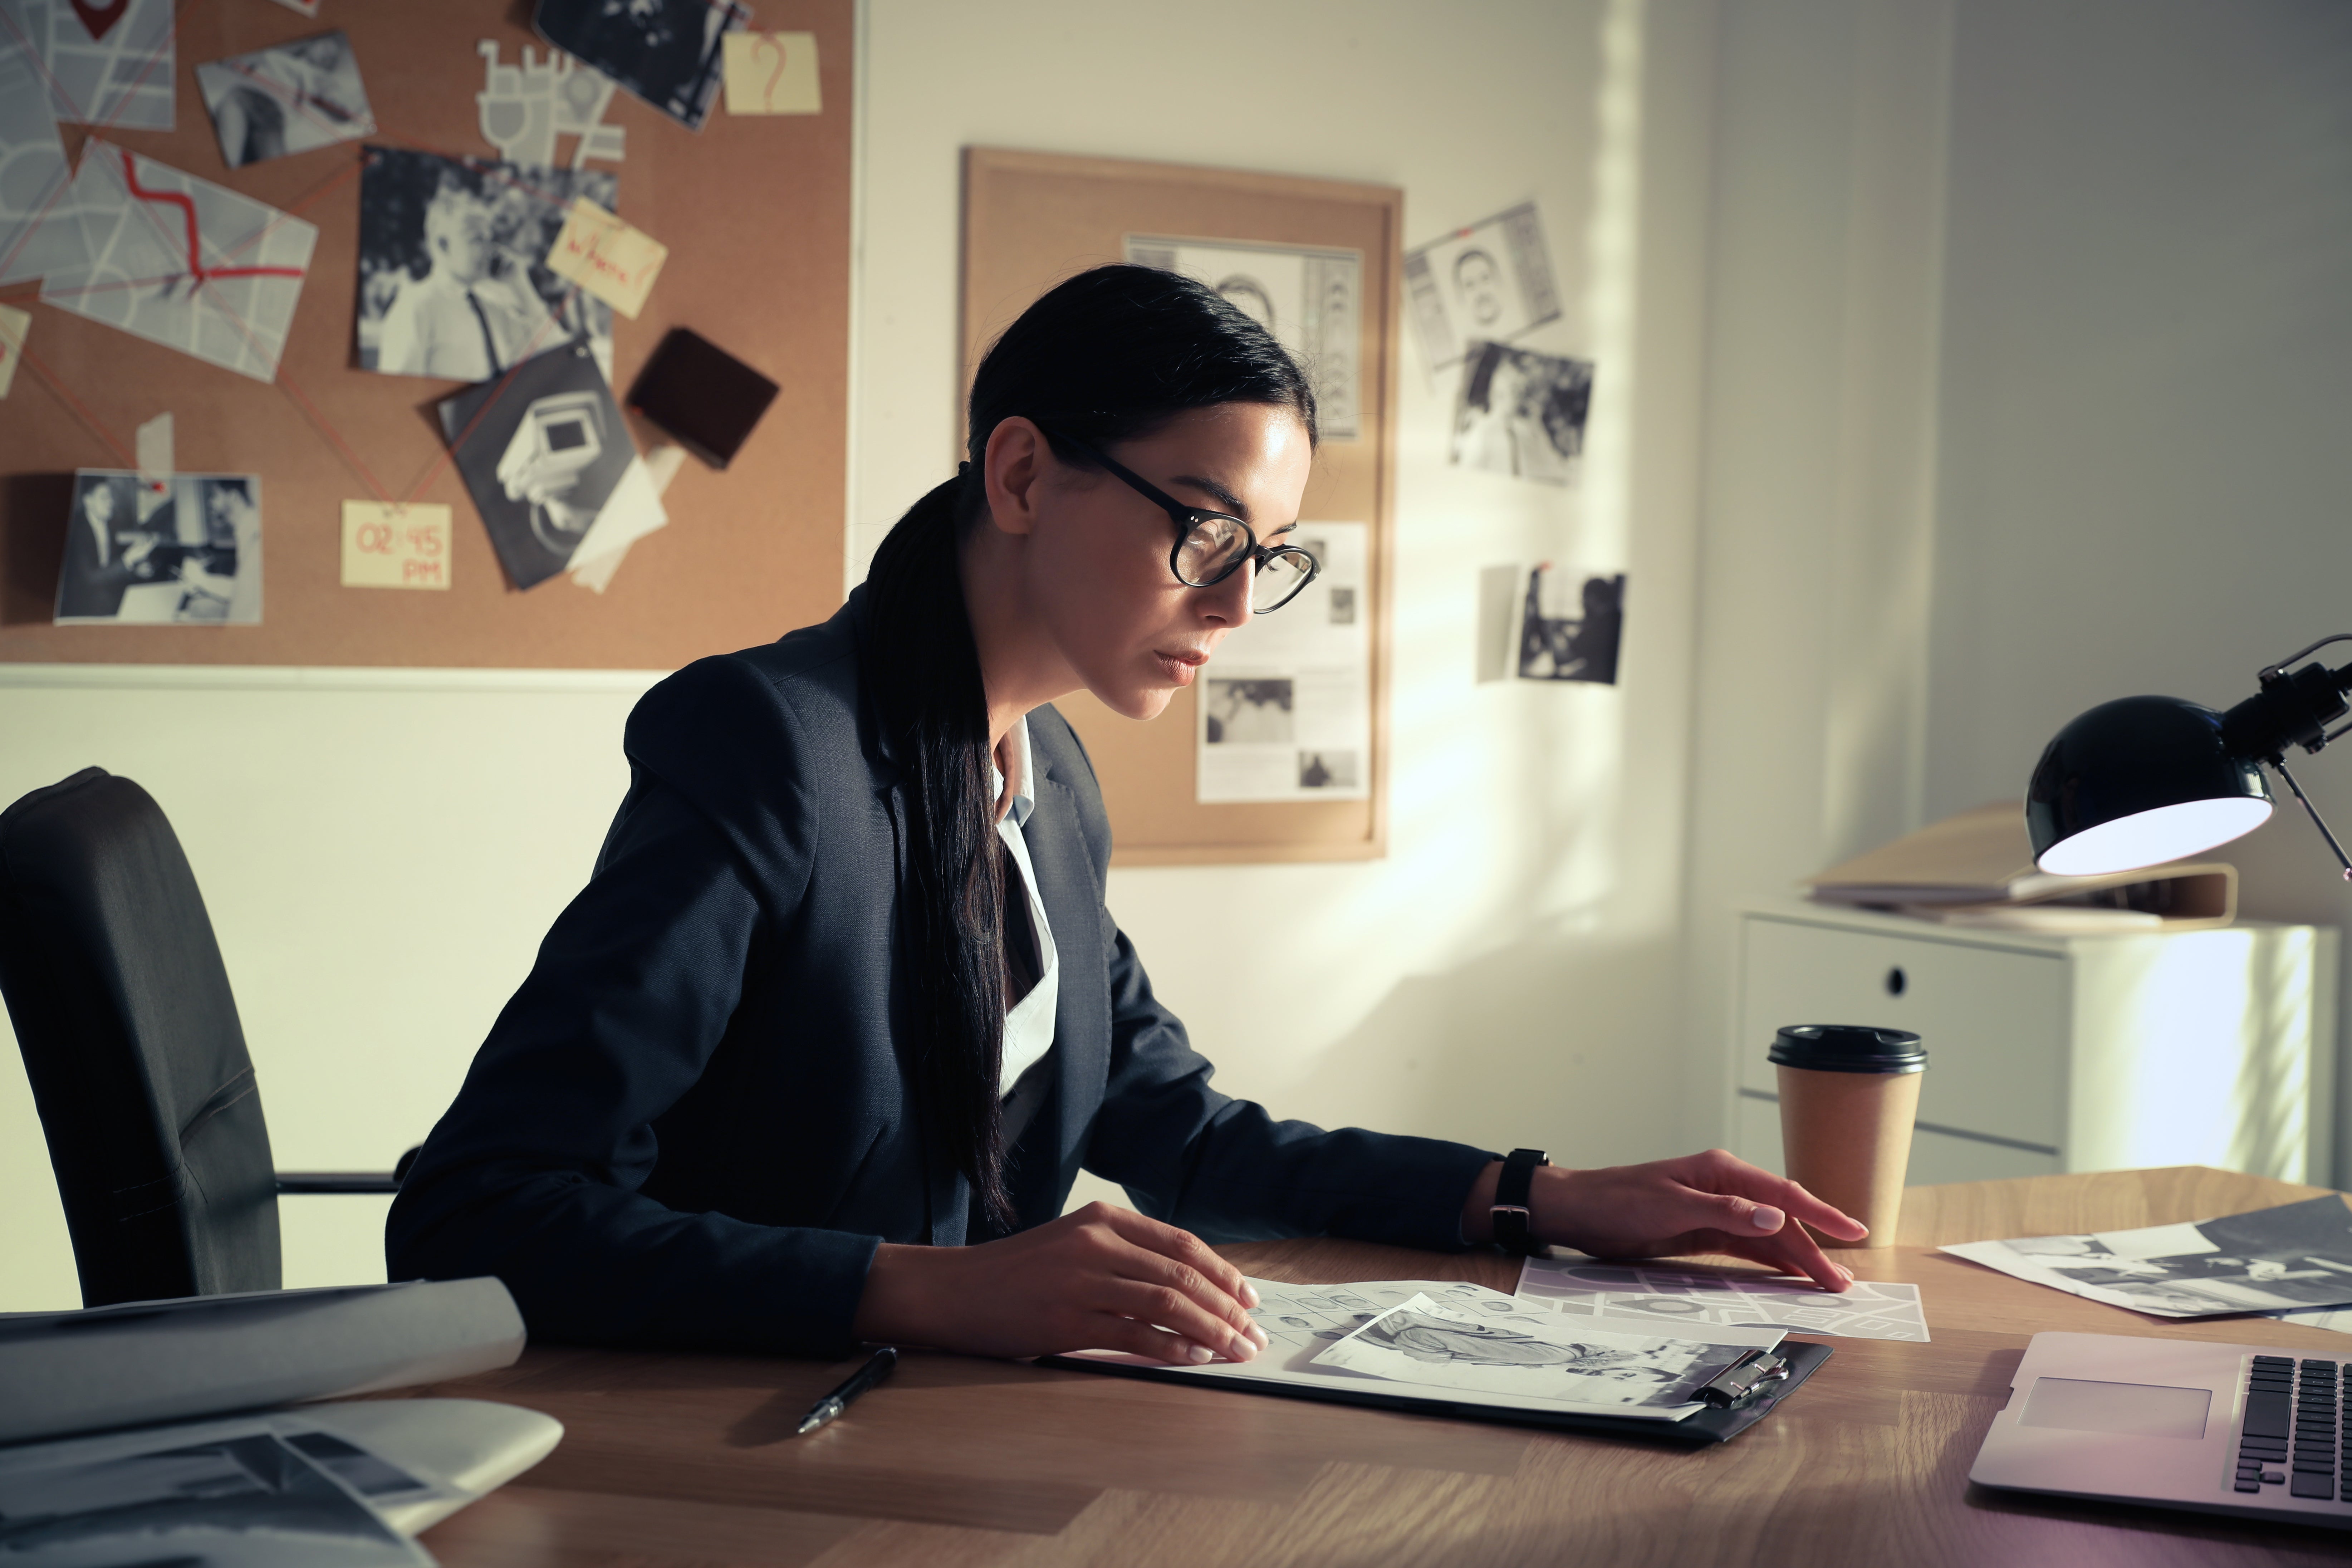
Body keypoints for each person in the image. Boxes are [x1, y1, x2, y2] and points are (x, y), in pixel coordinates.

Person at [386, 264, 1866, 1366]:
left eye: (1266, 556)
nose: (1233, 605)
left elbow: (1185, 1133)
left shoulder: (1054, 781)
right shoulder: (773, 745)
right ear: (1024, 472)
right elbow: (481, 1211)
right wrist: (924, 1282)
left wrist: (1536, 1198)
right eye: (1205, 531)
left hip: (969, 1444)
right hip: (741, 1464)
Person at [375, 174, 554, 380]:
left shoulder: (498, 302)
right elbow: (396, 391)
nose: (490, 249)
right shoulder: (417, 306)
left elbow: (555, 352)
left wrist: (522, 288)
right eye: (476, 239)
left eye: (489, 238)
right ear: (443, 245)